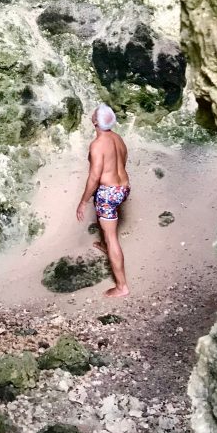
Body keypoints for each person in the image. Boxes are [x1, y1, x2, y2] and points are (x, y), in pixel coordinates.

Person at [75, 103, 130, 298]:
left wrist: (83, 201)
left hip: (108, 193)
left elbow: (94, 177)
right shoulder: (118, 138)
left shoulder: (97, 145)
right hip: (123, 188)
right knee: (109, 228)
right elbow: (122, 161)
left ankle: (122, 286)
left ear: (95, 121)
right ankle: (106, 245)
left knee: (111, 237)